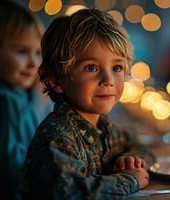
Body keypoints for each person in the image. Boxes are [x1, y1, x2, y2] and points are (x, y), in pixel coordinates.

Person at [21, 8, 156, 200]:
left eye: (117, 67)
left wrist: (131, 160)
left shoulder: (104, 127)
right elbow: (67, 192)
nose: (108, 80)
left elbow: (143, 149)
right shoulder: (57, 135)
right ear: (57, 80)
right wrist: (129, 180)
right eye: (91, 67)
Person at [0, 2, 48, 199]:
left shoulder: (20, 94)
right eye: (22, 51)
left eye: (37, 52)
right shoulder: (4, 102)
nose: (34, 63)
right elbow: (11, 171)